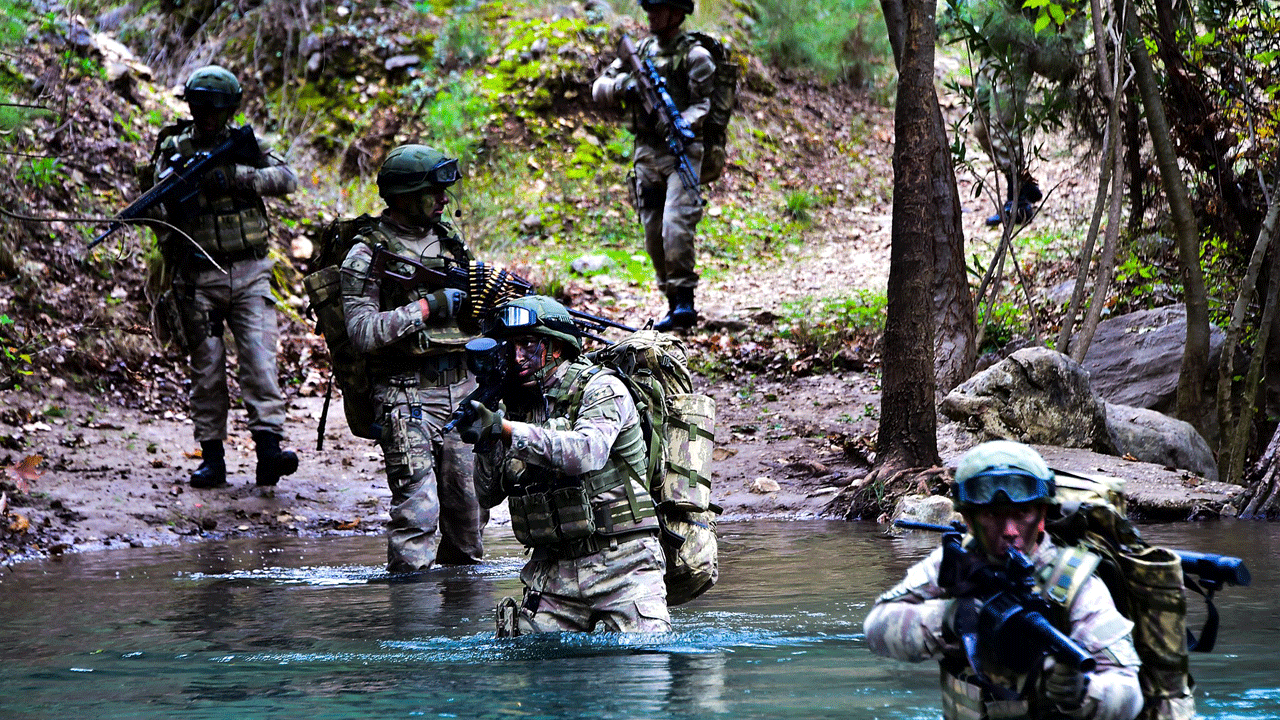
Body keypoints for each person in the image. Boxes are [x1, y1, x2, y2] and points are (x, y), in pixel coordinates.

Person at [863, 440, 1143, 720]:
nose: (1010, 531)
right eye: (993, 515)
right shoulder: (955, 563)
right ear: (969, 520)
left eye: (1022, 514)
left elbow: (1129, 695)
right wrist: (950, 620)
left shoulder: (1074, 584)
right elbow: (876, 628)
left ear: (1042, 516)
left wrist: (1083, 694)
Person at [460, 295, 670, 634]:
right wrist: (487, 438)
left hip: (625, 568)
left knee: (642, 664)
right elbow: (486, 495)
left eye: (527, 345)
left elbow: (586, 452)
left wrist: (507, 431)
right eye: (510, 347)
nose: (516, 357)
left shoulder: (602, 388)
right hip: (551, 575)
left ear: (556, 347)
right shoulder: (515, 406)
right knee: (528, 664)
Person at [340, 143, 487, 573]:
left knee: (469, 513)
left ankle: (465, 626)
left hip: (462, 389)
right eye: (434, 192)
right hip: (406, 397)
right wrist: (427, 308)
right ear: (405, 196)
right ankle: (412, 625)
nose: (445, 200)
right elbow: (362, 332)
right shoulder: (365, 254)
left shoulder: (449, 243)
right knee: (417, 514)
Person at [153, 64, 299, 489]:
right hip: (199, 277)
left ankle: (269, 452)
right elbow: (155, 205)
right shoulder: (174, 148)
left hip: (251, 270)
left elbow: (286, 179)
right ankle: (212, 457)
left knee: (259, 362)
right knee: (207, 369)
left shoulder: (244, 146)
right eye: (202, 108)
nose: (209, 117)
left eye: (216, 109)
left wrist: (235, 177)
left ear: (230, 109)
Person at [592, 0, 715, 331]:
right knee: (652, 236)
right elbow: (598, 88)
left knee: (675, 228)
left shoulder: (696, 56)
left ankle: (685, 302)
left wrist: (680, 124)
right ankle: (671, 304)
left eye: (658, 9)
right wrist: (625, 86)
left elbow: (704, 104)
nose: (651, 15)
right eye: (649, 9)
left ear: (676, 13)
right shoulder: (639, 52)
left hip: (683, 151)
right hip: (646, 153)